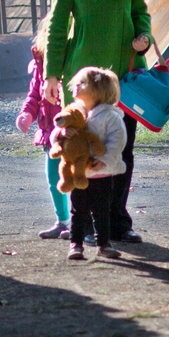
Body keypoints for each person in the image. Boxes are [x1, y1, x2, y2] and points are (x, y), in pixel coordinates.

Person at [42, 0, 151, 246]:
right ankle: (85, 224)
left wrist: (144, 37)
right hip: (85, 77)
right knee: (83, 151)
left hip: (123, 73)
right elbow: (57, 25)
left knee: (121, 150)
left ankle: (118, 221)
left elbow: (139, 11)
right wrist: (52, 75)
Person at [59, 67, 127, 261]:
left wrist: (104, 160)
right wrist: (63, 133)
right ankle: (76, 244)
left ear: (98, 90)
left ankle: (103, 244)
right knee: (77, 210)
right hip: (78, 172)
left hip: (101, 173)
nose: (76, 86)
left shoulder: (110, 116)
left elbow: (117, 140)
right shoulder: (74, 111)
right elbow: (58, 128)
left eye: (83, 83)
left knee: (101, 211)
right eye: (77, 82)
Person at [15, 15, 69, 239]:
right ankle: (63, 220)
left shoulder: (72, 59)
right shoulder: (41, 62)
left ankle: (81, 219)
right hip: (50, 133)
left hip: (71, 129)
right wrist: (27, 113)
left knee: (75, 176)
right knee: (54, 177)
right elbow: (35, 93)